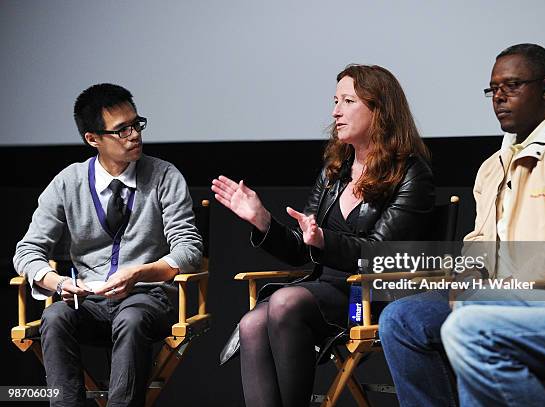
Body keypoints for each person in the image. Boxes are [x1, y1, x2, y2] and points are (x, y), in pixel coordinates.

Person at [379, 43, 545, 407]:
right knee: (401, 318)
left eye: (512, 86)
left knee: (472, 318)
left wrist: (506, 285)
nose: (499, 98)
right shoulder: (491, 167)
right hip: (499, 297)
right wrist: (467, 278)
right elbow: (478, 242)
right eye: (493, 89)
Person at [211, 64, 434, 407]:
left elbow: (379, 255)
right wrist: (262, 220)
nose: (335, 111)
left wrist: (323, 241)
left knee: (285, 301)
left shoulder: (410, 173)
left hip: (369, 297)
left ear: (380, 110)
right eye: (335, 100)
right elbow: (303, 249)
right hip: (322, 290)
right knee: (252, 322)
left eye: (348, 101)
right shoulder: (335, 171)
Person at [13, 83, 203, 407]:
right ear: (93, 139)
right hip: (89, 303)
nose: (134, 135)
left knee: (131, 317)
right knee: (55, 317)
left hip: (147, 298)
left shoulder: (163, 176)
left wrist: (139, 274)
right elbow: (27, 250)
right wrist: (58, 283)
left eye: (137, 124)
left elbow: (189, 249)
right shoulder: (68, 182)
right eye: (121, 130)